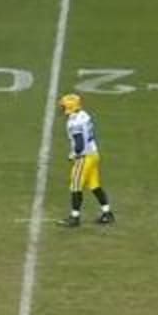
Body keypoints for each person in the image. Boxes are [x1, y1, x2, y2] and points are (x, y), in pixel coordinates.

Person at [57, 94, 114, 227]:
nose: (62, 108)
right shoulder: (84, 115)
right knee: (94, 185)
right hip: (94, 154)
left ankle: (74, 217)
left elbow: (79, 145)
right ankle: (107, 213)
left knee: (75, 187)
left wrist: (73, 154)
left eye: (64, 106)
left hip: (84, 158)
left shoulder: (73, 122)